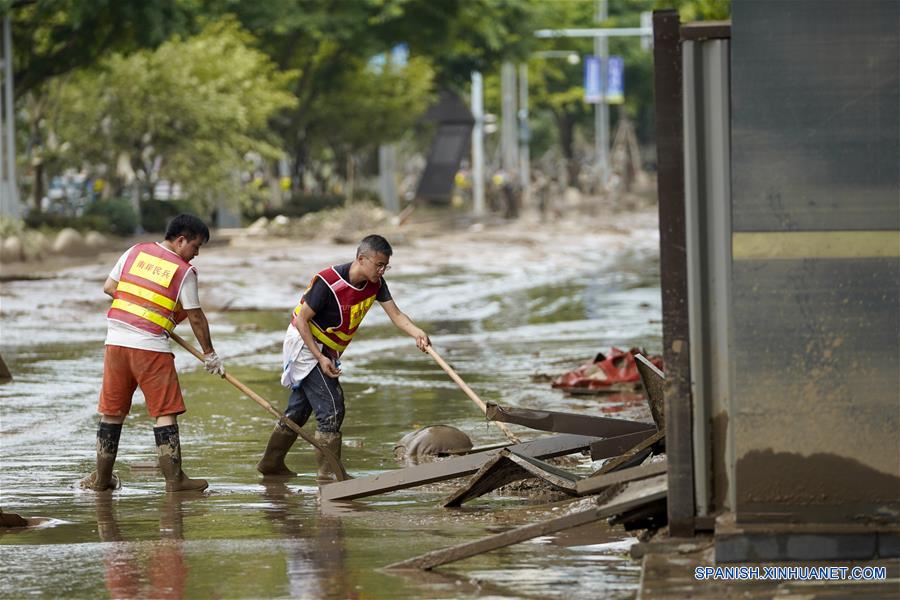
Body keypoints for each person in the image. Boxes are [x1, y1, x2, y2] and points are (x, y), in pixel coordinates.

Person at [257, 234, 430, 481]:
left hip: (327, 348)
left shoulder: (376, 284)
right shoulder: (328, 283)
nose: (382, 271)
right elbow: (302, 320)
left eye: (385, 266)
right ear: (361, 258)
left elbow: (396, 314)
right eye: (379, 265)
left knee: (299, 410)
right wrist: (319, 357)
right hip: (305, 344)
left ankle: (271, 463)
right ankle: (329, 475)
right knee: (332, 408)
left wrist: (417, 333)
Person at [82, 214, 224, 493]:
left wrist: (142, 307)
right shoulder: (183, 271)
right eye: (196, 246)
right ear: (181, 240)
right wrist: (210, 354)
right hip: (150, 347)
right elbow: (196, 317)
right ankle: (175, 481)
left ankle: (101, 480)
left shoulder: (135, 251)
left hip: (116, 343)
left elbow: (110, 287)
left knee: (112, 412)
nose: (196, 254)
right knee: (165, 412)